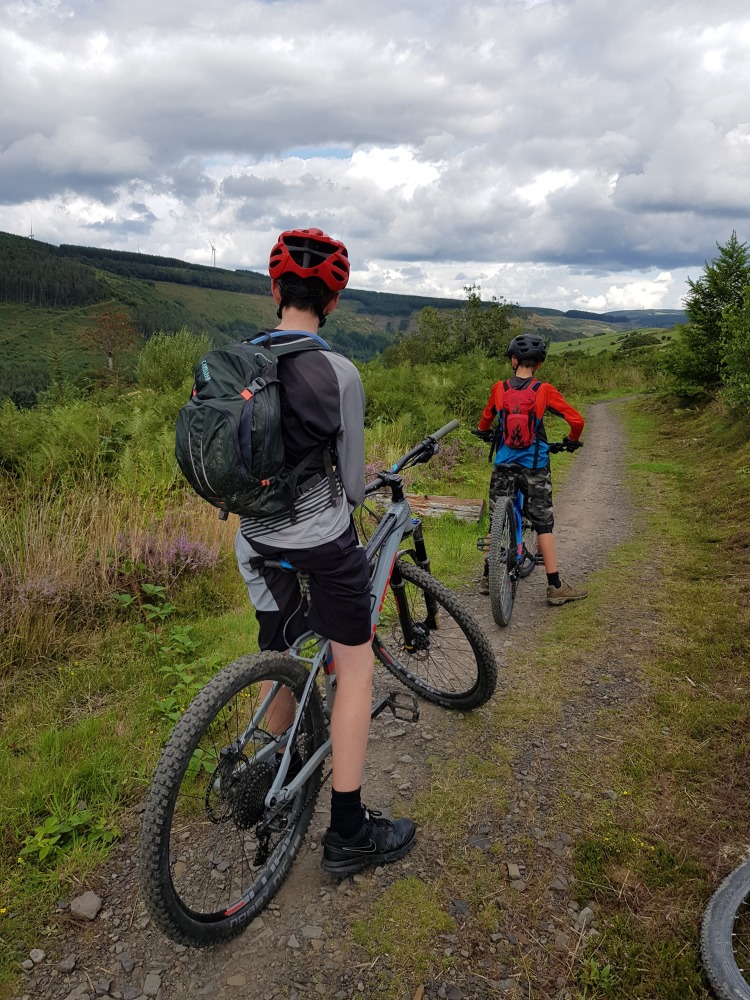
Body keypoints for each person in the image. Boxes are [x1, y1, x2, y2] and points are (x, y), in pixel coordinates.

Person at [235, 227, 416, 875]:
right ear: (333, 302)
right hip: (321, 542)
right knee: (355, 663)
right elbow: (346, 478)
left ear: (274, 289)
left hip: (253, 540)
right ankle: (347, 831)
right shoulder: (340, 371)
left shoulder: (239, 361)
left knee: (280, 648)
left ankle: (272, 773)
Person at [474, 334, 588, 606]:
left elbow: (486, 418)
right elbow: (577, 420)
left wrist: (482, 432)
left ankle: (488, 577)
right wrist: (572, 441)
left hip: (503, 463)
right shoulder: (543, 390)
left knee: (496, 519)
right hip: (534, 465)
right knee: (542, 523)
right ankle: (555, 586)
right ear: (537, 364)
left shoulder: (499, 388)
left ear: (513, 361)